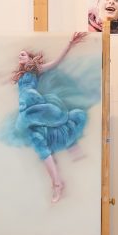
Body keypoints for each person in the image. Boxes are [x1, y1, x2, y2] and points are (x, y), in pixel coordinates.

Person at [11, 32, 89, 203]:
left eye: (23, 54)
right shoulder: (21, 75)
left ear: (31, 59)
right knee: (37, 141)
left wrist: (70, 44)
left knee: (59, 119)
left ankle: (71, 144)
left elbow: (56, 62)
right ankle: (57, 182)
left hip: (36, 105)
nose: (20, 55)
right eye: (20, 54)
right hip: (26, 110)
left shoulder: (35, 69)